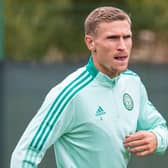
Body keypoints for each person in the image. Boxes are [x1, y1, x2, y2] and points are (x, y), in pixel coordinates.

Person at [11, 6, 168, 168]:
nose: (122, 46)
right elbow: (25, 154)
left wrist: (157, 139)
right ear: (90, 42)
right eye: (112, 38)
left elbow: (161, 128)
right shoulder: (70, 93)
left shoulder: (133, 83)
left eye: (127, 37)